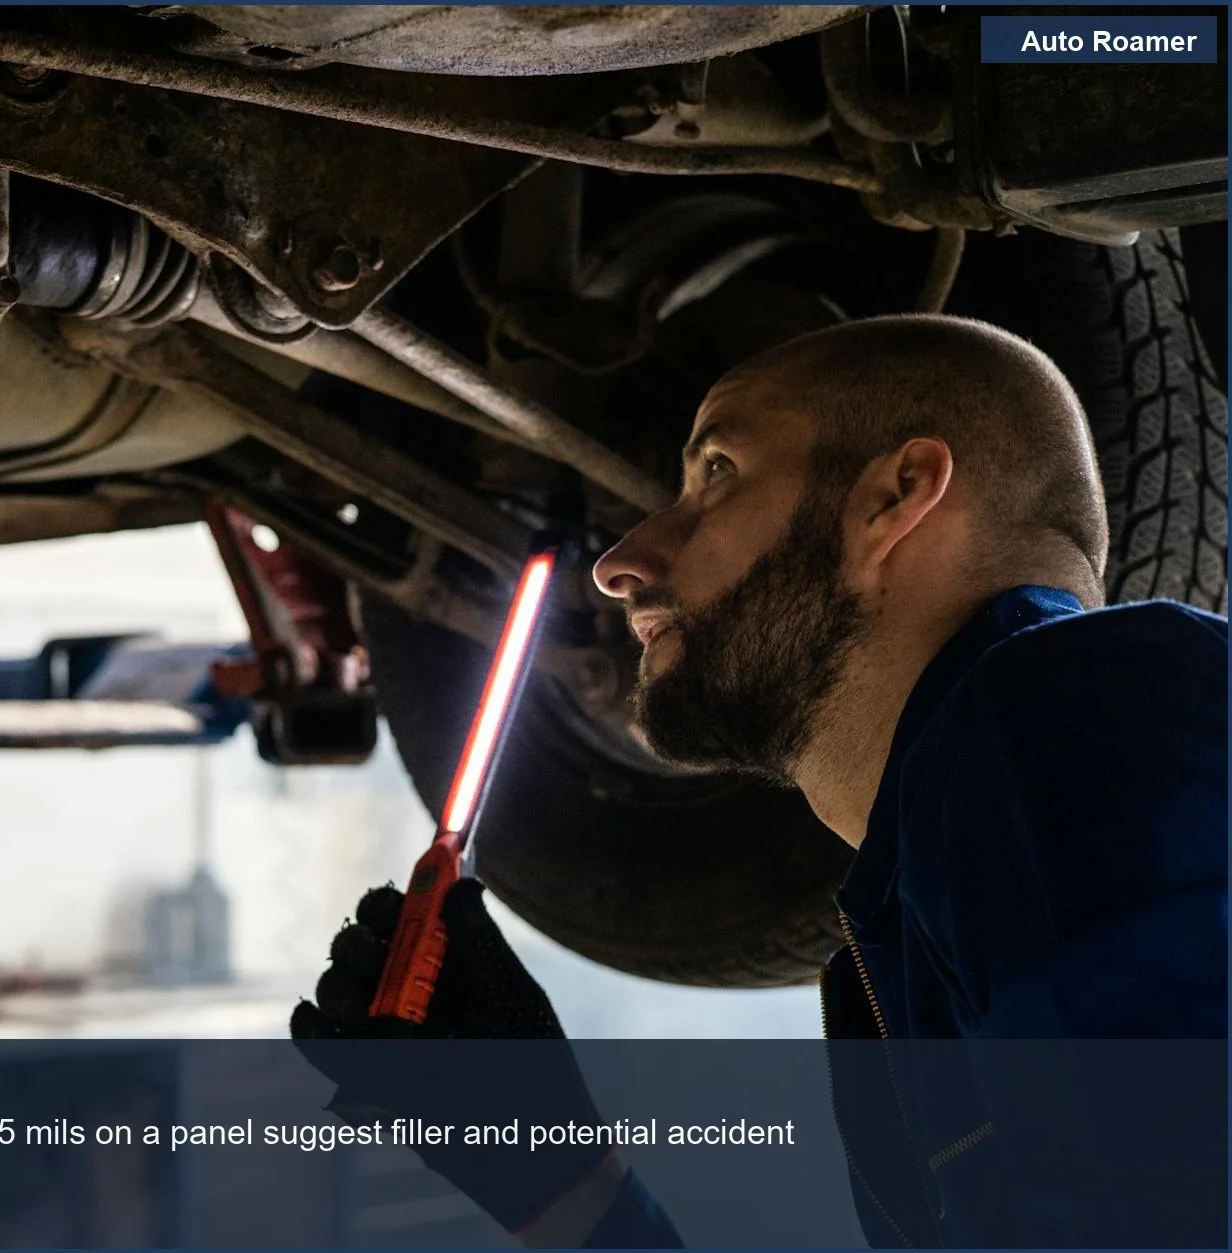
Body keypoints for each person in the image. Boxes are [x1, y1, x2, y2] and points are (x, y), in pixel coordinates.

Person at [292, 314, 1229, 1246]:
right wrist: (558, 1182)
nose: (621, 563)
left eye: (717, 474)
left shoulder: (1075, 714)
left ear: (895, 498)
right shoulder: (933, 892)